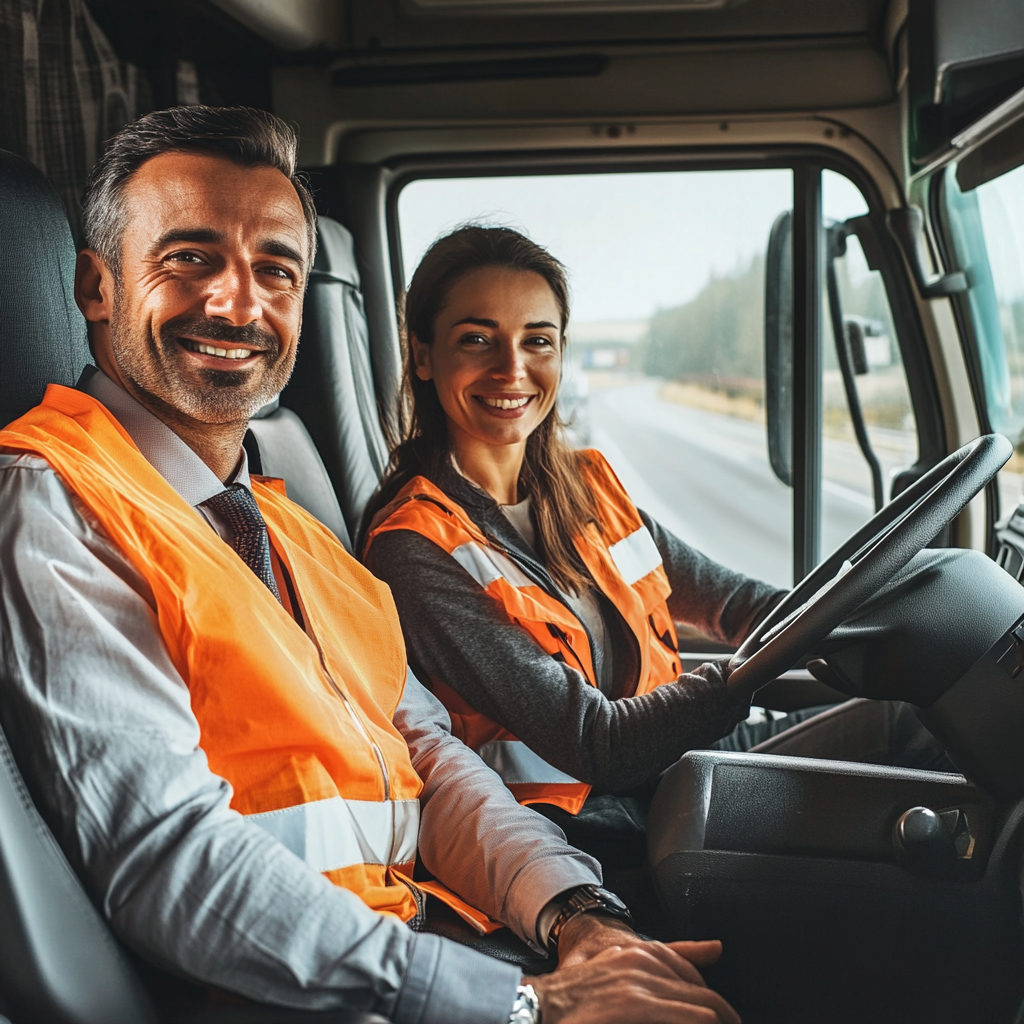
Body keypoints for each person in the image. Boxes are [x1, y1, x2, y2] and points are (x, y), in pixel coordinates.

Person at [0, 106, 742, 1024]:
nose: (239, 305)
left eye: (275, 270)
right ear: (96, 286)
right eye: (189, 258)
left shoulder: (290, 527)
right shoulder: (55, 501)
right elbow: (171, 860)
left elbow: (429, 757)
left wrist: (579, 918)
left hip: (422, 939)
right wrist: (522, 1004)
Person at [359, 225, 956, 875]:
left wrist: (878, 619)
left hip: (680, 772)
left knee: (923, 710)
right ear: (422, 356)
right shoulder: (412, 548)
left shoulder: (587, 487)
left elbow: (735, 603)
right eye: (477, 340)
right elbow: (597, 743)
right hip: (596, 829)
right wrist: (737, 680)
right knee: (914, 741)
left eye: (537, 341)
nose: (513, 369)